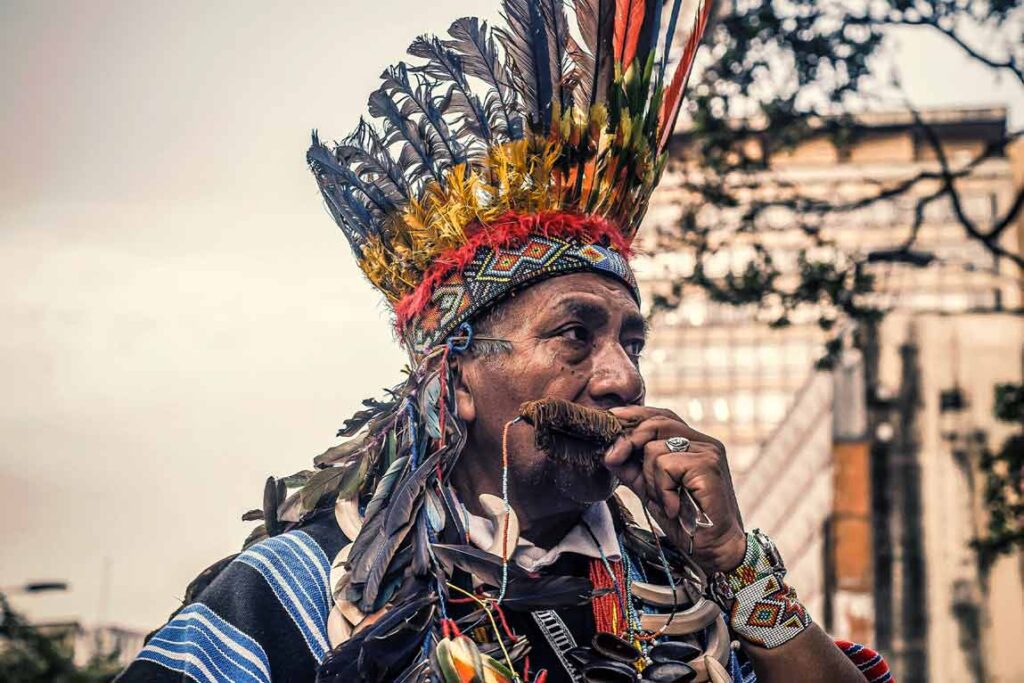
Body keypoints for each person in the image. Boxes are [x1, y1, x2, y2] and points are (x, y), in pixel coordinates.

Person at [119, 1, 893, 681]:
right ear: (455, 376)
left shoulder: (688, 601)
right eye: (575, 335)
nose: (623, 378)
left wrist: (736, 565)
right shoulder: (299, 589)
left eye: (633, 343)